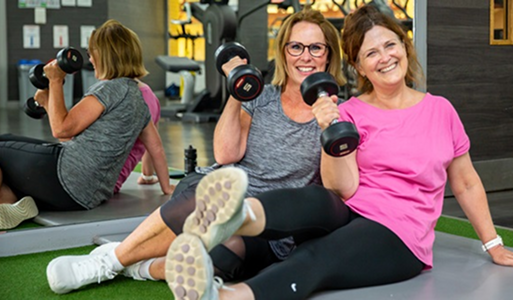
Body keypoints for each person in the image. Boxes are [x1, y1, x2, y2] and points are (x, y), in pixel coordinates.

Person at [160, 5, 513, 300]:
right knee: (314, 198)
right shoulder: (347, 110)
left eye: (389, 45)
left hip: (398, 232)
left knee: (317, 258)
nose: (384, 58)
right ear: (360, 66)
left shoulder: (440, 110)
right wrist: (331, 127)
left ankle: (228, 297)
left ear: (404, 46)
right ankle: (234, 215)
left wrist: (494, 244)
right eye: (371, 54)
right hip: (348, 208)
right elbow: (341, 187)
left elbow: (464, 182)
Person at [45, 8, 346, 294]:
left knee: (218, 263)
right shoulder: (262, 97)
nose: (305, 56)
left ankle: (139, 267)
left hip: (271, 225)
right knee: (210, 200)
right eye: (296, 47)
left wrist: (326, 124)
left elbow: (337, 188)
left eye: (315, 48)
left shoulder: (337, 114)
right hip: (222, 194)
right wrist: (237, 85)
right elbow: (226, 154)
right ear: (283, 53)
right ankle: (107, 263)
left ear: (328, 55)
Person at [0, 19, 173, 231]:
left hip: (64, 175)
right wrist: (167, 188)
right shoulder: (140, 103)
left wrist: (55, 81)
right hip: (87, 197)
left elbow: (61, 130)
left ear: (106, 56)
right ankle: (8, 204)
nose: (90, 59)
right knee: (8, 150)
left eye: (93, 53)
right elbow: (156, 148)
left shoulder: (108, 90)